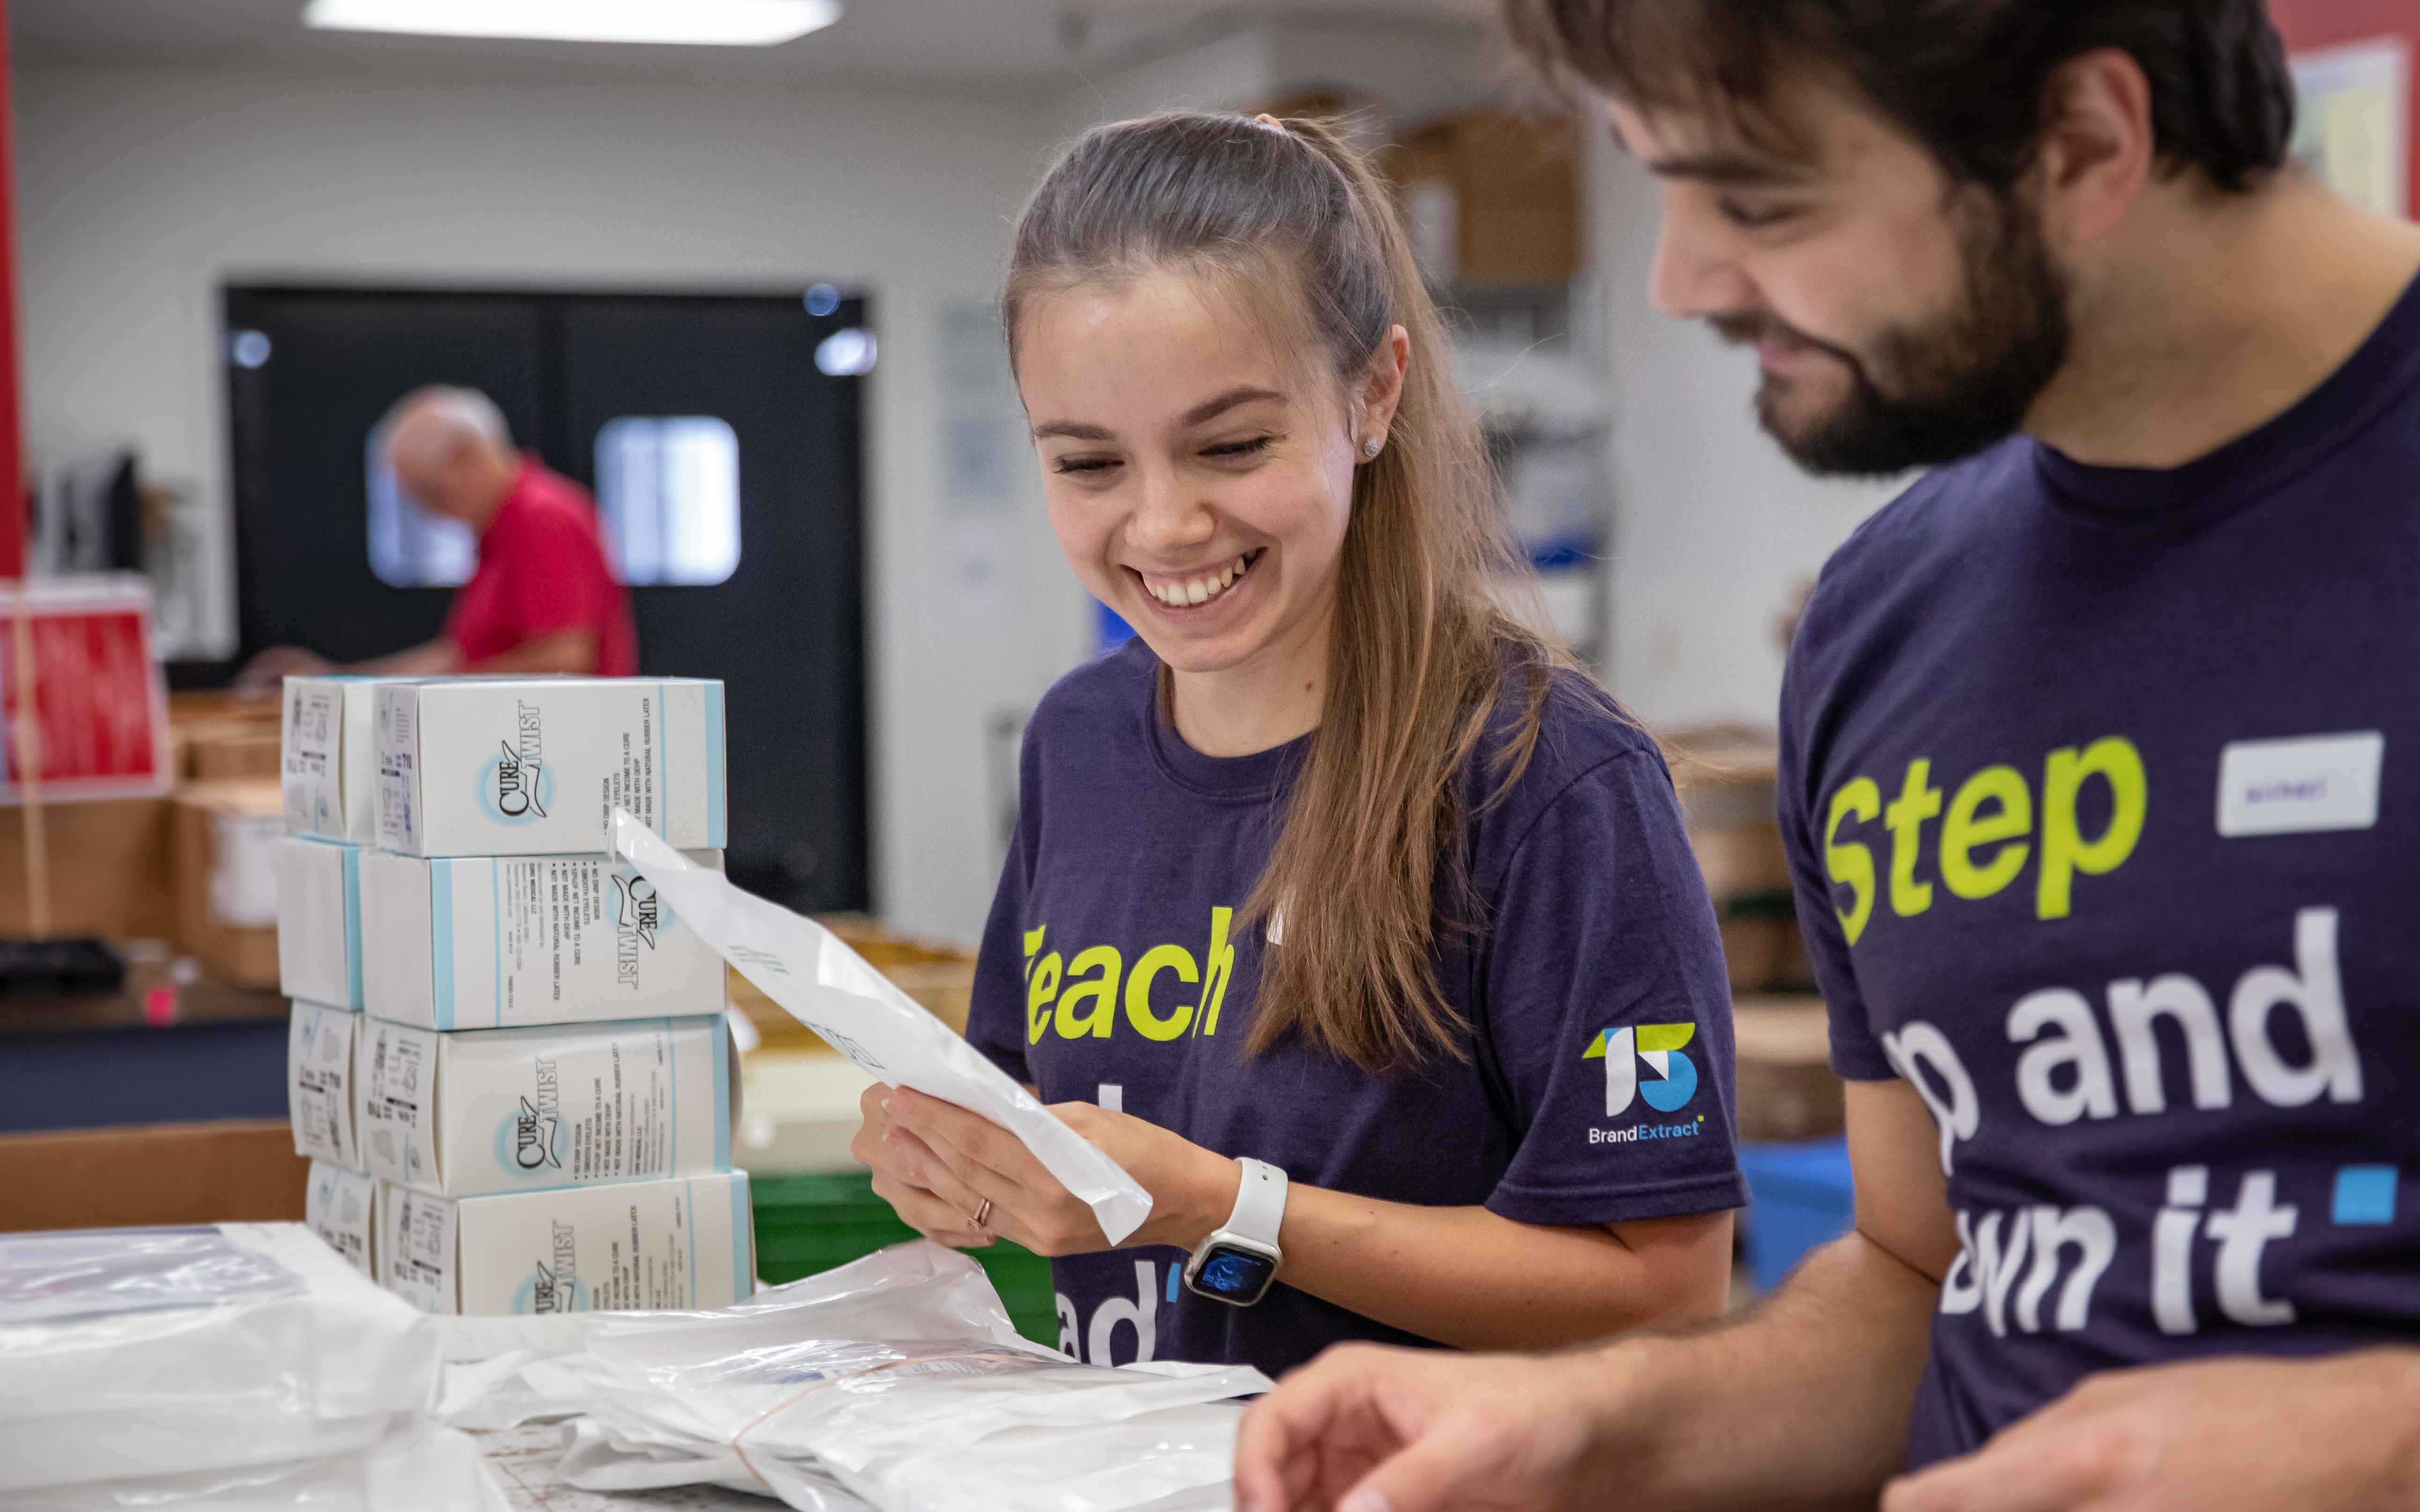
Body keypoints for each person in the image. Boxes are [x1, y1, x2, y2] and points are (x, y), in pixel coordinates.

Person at [1235, 1, 2420, 1509]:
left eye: (1756, 200)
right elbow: (1914, 1276)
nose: (1681, 282)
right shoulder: (1883, 625)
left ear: (2081, 142)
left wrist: (2369, 1440)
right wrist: (1598, 1424)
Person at [850, 110, 1746, 1380]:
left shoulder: (1543, 776)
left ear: (1371, 394)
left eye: (1230, 445)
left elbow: (1663, 1295)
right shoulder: (1077, 740)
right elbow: (1035, 1138)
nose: (1162, 524)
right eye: (1088, 461)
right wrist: (954, 1173)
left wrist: (1229, 1210)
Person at [239, 385, 636, 684]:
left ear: (467, 458)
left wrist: (437, 692)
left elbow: (565, 658)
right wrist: (341, 679)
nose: (431, 512)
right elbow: (459, 656)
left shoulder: (544, 518)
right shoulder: (497, 531)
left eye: (430, 492)